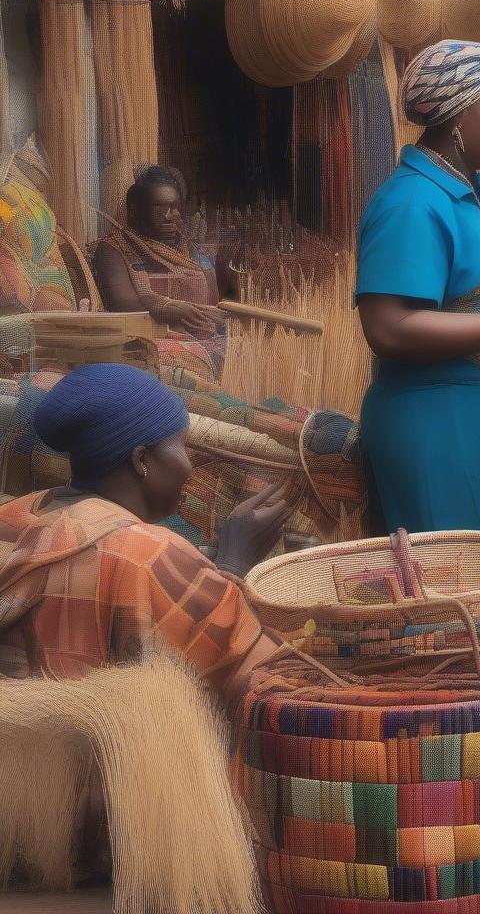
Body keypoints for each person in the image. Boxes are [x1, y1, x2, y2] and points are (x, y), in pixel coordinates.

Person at [356, 40, 480, 543]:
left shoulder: (474, 190)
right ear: (459, 118)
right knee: (464, 590)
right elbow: (388, 327)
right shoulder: (410, 203)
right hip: (441, 432)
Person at [0, 363, 288, 710]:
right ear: (142, 460)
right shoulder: (145, 555)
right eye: (182, 447)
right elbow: (248, 681)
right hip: (102, 760)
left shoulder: (14, 520)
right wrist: (233, 562)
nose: (190, 467)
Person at [93, 166, 226, 338]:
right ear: (134, 211)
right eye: (160, 207)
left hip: (203, 340)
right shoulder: (113, 249)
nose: (171, 216)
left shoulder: (190, 250)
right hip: (143, 341)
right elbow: (124, 305)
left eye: (175, 207)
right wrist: (169, 308)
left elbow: (214, 306)